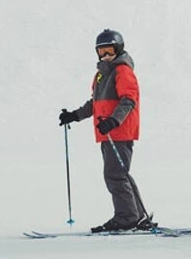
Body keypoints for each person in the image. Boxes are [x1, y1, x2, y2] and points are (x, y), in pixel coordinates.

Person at [58, 29, 153, 233]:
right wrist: (74, 115)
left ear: (118, 50)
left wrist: (113, 121)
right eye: (101, 52)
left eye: (109, 51)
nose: (105, 55)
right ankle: (135, 215)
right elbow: (95, 103)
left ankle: (127, 217)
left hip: (119, 131)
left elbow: (129, 100)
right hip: (108, 132)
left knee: (115, 174)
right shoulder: (102, 74)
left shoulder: (122, 71)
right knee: (120, 173)